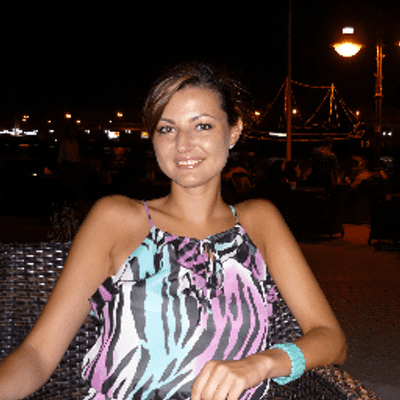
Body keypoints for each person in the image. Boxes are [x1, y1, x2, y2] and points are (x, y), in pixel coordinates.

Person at [0, 62, 346, 400]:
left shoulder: (259, 222)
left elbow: (331, 338)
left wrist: (261, 364)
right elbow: (37, 354)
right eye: (167, 129)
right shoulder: (116, 219)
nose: (183, 144)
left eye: (203, 126)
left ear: (234, 131)